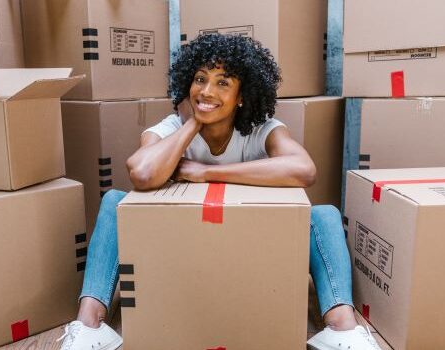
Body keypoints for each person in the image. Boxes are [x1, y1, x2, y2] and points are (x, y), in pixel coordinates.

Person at [56, 34, 382, 350]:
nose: (207, 91)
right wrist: (192, 124)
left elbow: (303, 170)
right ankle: (89, 326)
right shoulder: (170, 128)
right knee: (115, 201)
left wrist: (206, 172)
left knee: (323, 215)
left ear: (242, 96)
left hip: (242, 247)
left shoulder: (261, 129)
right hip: (181, 249)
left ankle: (342, 328)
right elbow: (141, 173)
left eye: (223, 83)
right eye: (200, 79)